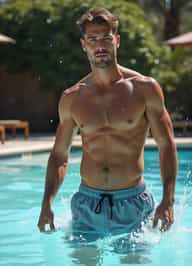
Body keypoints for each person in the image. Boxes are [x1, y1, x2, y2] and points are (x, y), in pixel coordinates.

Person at [38, 8, 177, 238]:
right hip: (87, 203)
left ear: (117, 40)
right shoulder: (72, 98)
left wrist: (168, 199)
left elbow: (167, 145)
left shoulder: (145, 89)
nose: (99, 45)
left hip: (133, 203)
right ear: (84, 44)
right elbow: (59, 156)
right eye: (92, 39)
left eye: (106, 37)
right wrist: (46, 204)